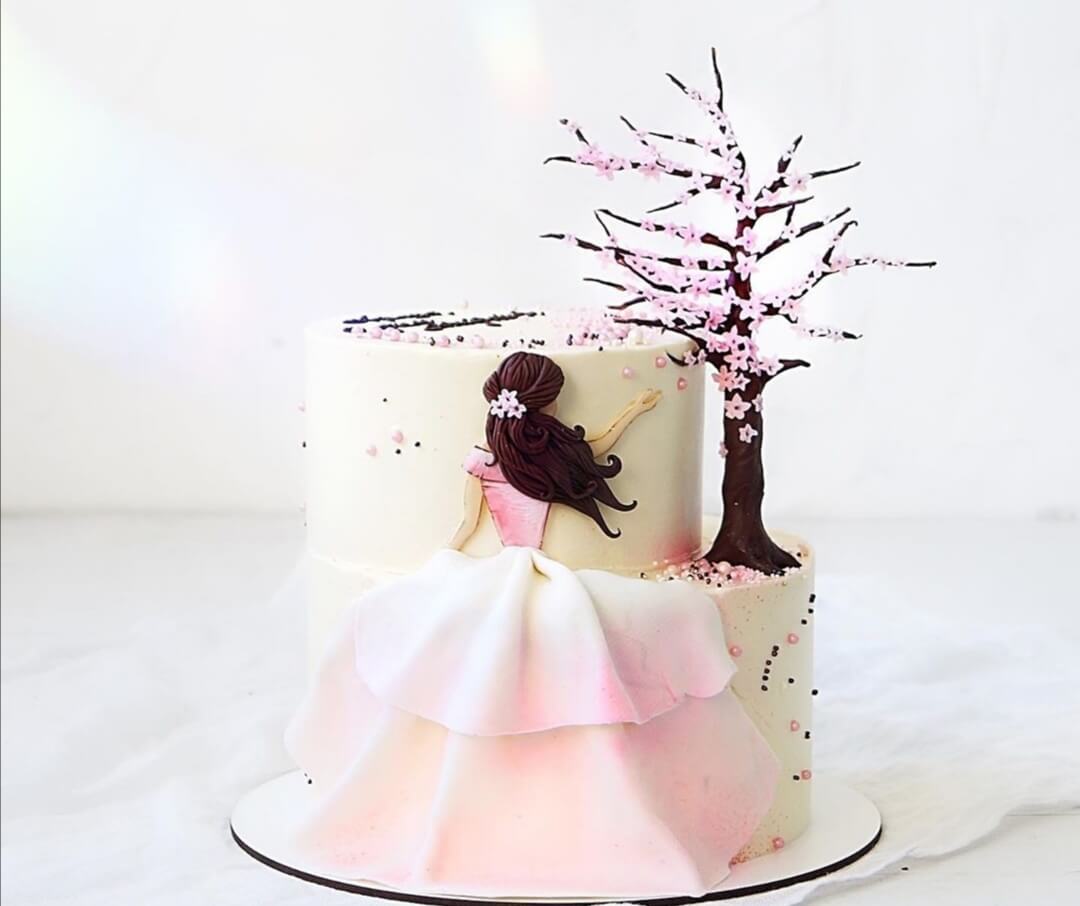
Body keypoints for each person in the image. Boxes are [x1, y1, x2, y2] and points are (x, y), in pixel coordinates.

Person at [285, 352, 779, 898]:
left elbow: (468, 523)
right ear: (544, 403)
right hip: (539, 574)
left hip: (499, 571)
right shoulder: (542, 456)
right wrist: (634, 411)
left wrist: (444, 562)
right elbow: (595, 447)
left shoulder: (493, 460)